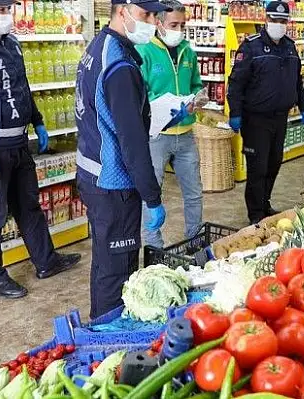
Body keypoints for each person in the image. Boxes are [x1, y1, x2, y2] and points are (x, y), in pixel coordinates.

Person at [0, 0, 81, 299]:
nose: (8, 15)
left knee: (29, 206)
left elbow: (22, 87)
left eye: (9, 9)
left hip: (18, 143)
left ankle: (47, 261)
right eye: (1, 9)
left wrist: (38, 121)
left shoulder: (13, 44)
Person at [75, 0, 182, 319]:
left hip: (91, 170)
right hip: (113, 182)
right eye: (146, 14)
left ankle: (98, 321)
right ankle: (107, 337)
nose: (153, 21)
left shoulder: (99, 45)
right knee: (117, 268)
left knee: (105, 260)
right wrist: (152, 197)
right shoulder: (120, 66)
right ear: (123, 11)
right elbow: (132, 144)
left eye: (154, 14)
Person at [227, 1, 304, 225]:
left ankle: (264, 203)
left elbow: (297, 81)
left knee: (274, 163)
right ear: (266, 20)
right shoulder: (251, 47)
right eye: (275, 20)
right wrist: (235, 112)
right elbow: (235, 83)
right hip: (256, 119)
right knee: (258, 167)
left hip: (280, 118)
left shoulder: (290, 47)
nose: (279, 25)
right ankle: (255, 214)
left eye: (283, 21)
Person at [136, 0, 207, 248]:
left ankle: (195, 241)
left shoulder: (188, 51)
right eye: (173, 24)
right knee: (152, 195)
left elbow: (195, 85)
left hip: (186, 134)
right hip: (157, 136)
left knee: (194, 193)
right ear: (158, 23)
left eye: (182, 24)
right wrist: (164, 104)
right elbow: (141, 93)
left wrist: (199, 97)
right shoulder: (144, 51)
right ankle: (154, 247)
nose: (179, 30)